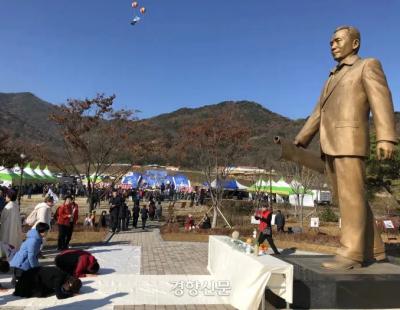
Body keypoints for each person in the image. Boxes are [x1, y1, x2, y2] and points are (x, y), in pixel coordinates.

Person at [294, 26, 397, 270]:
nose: (333, 45)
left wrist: (386, 137)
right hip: (329, 144)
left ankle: (351, 253)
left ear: (355, 43)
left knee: (351, 197)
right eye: (330, 42)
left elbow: (381, 99)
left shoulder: (367, 65)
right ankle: (375, 249)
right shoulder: (331, 77)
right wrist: (301, 139)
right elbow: (318, 112)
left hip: (350, 142)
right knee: (348, 198)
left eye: (338, 40)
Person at [13, 266, 81, 299]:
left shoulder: (66, 276)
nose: (68, 289)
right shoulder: (59, 278)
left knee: (50, 290)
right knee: (41, 293)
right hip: (30, 277)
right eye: (69, 288)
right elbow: (59, 296)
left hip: (36, 274)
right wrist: (71, 295)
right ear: (69, 283)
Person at [0, 190, 23, 259]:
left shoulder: (8, 207)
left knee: (6, 241)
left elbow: (2, 219)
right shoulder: (15, 205)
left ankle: (5, 255)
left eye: (6, 196)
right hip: (15, 228)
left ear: (9, 197)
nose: (5, 197)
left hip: (7, 228)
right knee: (13, 241)